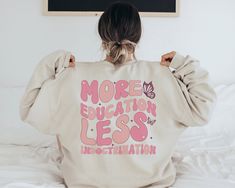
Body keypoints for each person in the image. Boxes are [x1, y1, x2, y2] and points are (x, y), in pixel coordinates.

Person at [19, 1, 217, 188]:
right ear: (138, 36)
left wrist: (53, 61)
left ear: (102, 34)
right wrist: (182, 64)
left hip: (84, 183)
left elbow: (29, 110)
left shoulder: (71, 76)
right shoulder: (163, 76)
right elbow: (204, 107)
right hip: (152, 182)